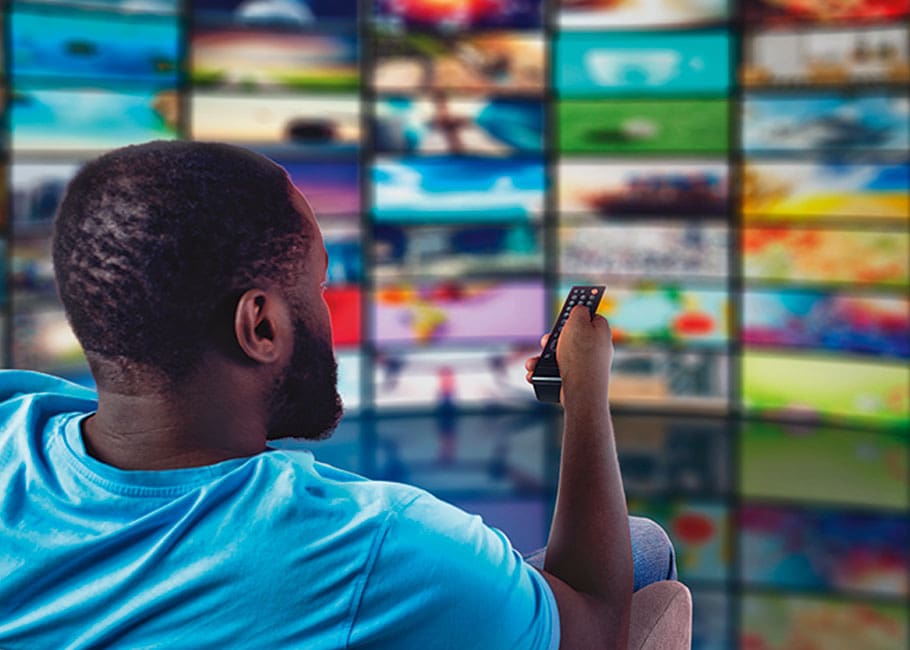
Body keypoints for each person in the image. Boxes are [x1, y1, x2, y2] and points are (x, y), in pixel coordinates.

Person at [0, 141, 676, 648]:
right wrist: (586, 390)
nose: (328, 314)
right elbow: (596, 620)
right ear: (259, 325)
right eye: (319, 288)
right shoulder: (377, 546)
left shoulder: (13, 417)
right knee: (640, 552)